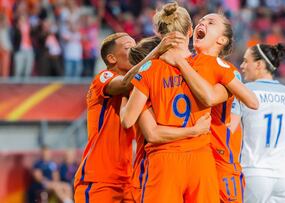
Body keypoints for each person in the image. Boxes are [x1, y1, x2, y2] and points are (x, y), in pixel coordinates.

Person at [121, 3, 222, 202]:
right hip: (200, 158)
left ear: (158, 33)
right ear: (190, 31)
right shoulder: (208, 64)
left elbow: (127, 120)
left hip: (164, 160)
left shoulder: (149, 69)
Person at [73, 31, 184, 203]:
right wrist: (155, 53)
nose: (134, 49)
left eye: (135, 45)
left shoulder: (139, 90)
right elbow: (125, 84)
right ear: (112, 59)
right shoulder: (104, 77)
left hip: (128, 179)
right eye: (128, 47)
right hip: (98, 179)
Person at [159, 12, 259, 202]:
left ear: (221, 39)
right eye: (201, 21)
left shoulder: (224, 68)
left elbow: (252, 101)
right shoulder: (185, 63)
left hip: (220, 160)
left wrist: (180, 62)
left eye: (210, 22)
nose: (202, 23)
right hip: (187, 158)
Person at [231, 43, 285, 203]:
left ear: (259, 64)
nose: (242, 66)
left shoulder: (245, 91)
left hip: (255, 172)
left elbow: (230, 130)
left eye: (245, 61)